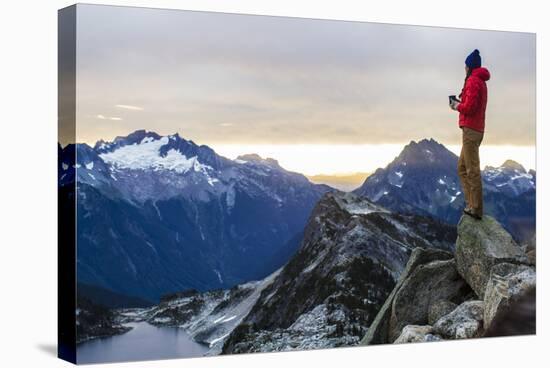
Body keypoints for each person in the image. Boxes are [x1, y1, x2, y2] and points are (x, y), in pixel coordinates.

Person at [449, 49, 491, 220]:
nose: (464, 68)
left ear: (470, 66)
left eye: (466, 66)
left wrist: (456, 106)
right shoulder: (479, 81)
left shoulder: (473, 81)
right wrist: (461, 103)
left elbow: (470, 108)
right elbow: (472, 104)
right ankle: (471, 204)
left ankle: (476, 209)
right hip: (475, 129)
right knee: (462, 168)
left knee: (471, 170)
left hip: (471, 130)